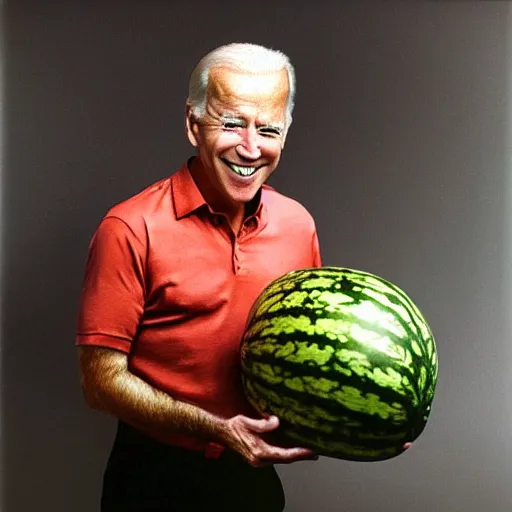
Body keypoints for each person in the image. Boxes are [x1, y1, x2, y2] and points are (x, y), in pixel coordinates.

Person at [76, 42, 322, 512]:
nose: (251, 148)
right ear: (194, 124)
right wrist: (216, 429)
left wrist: (375, 430)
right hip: (154, 478)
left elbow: (306, 357)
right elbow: (99, 381)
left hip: (250, 481)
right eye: (232, 124)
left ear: (285, 134)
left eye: (268, 129)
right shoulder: (130, 228)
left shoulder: (298, 225)